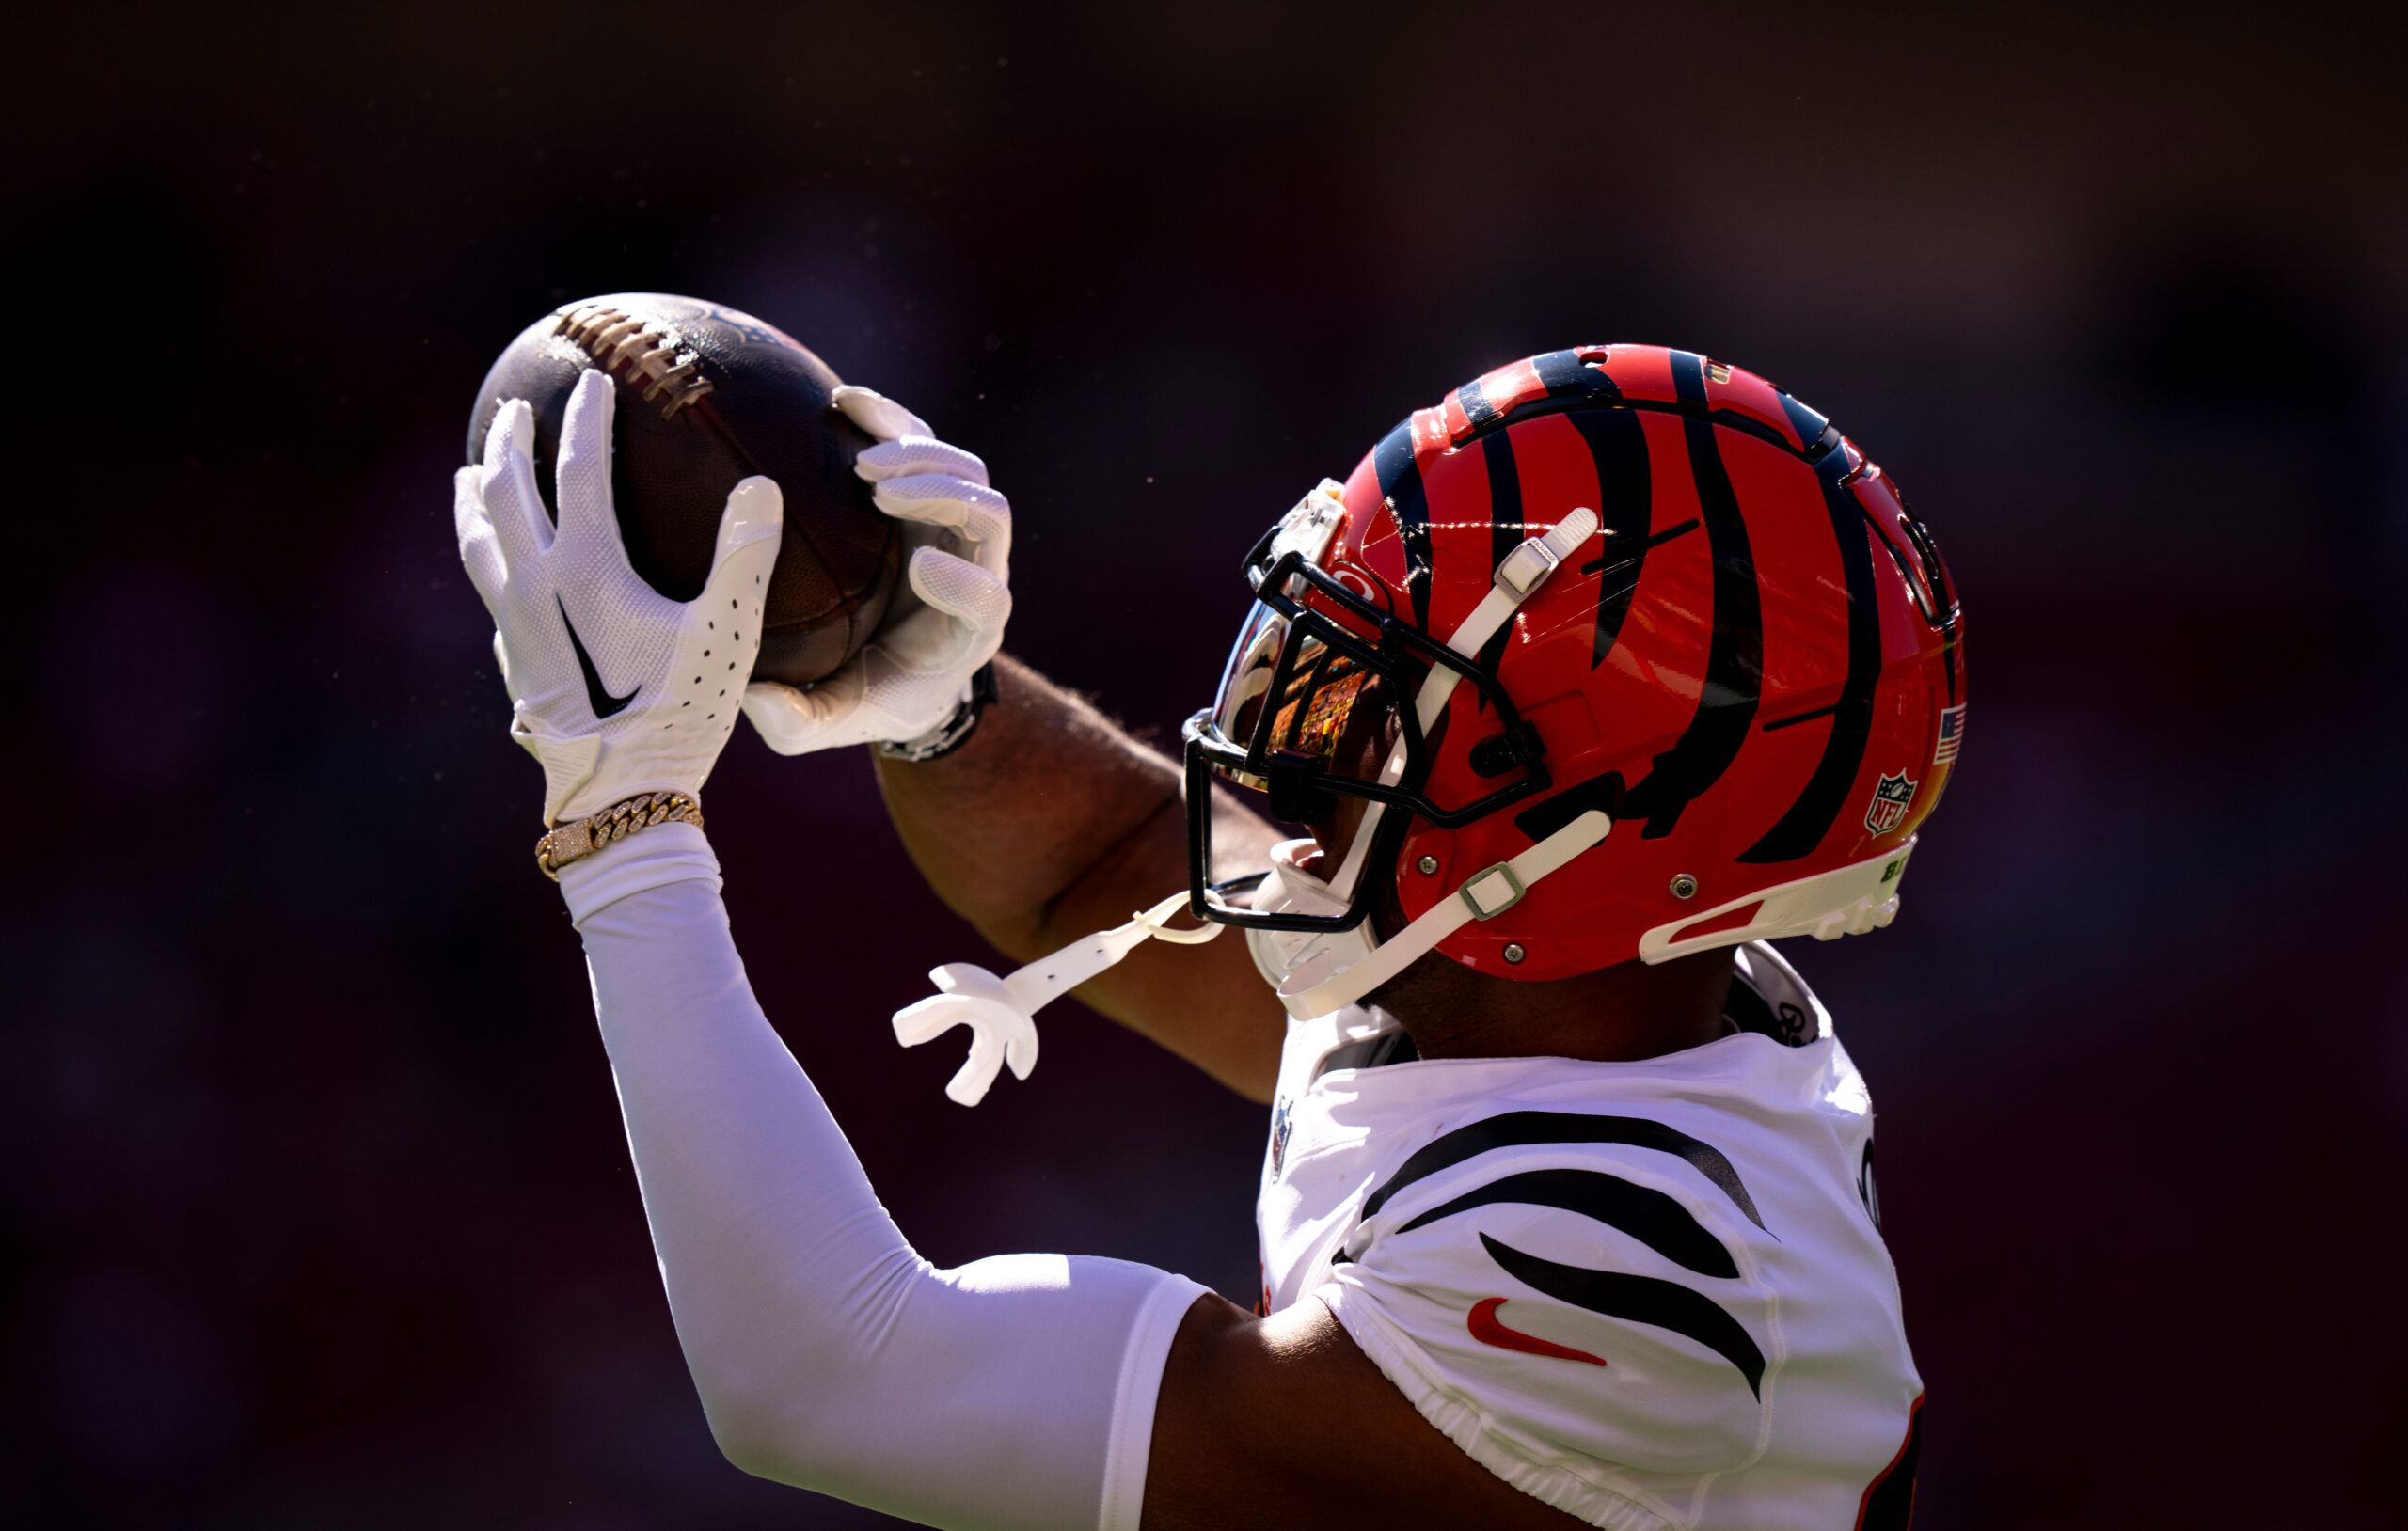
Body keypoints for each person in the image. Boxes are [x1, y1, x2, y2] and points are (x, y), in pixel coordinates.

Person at [453, 341, 1962, 1530]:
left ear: (1571, 825)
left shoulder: (1638, 1278)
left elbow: (824, 1379)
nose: (1294, 705)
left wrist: (625, 832)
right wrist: (937, 703)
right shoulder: (1559, 991)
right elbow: (1093, 869)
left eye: (1376, 684)